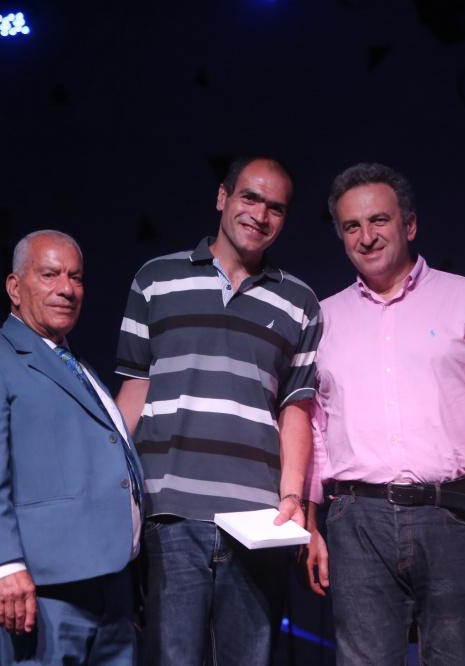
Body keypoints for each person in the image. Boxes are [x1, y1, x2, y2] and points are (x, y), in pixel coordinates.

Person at [302, 162, 465, 665]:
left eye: (379, 220)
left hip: (454, 514)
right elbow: (314, 428)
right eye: (352, 226)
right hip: (357, 520)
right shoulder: (323, 318)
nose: (367, 237)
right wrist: (310, 523)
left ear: (410, 225)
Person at [114, 156, 321, 665]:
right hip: (170, 512)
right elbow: (135, 389)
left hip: (258, 518)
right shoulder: (156, 279)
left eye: (276, 208)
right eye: (250, 197)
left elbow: (296, 408)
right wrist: (113, 492)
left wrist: (291, 498)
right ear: (222, 197)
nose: (260, 215)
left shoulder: (299, 301)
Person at [0, 230, 143, 665]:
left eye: (76, 277)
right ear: (14, 288)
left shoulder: (76, 366)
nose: (66, 288)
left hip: (111, 589)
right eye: (50, 275)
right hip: (40, 590)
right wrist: (3, 565)